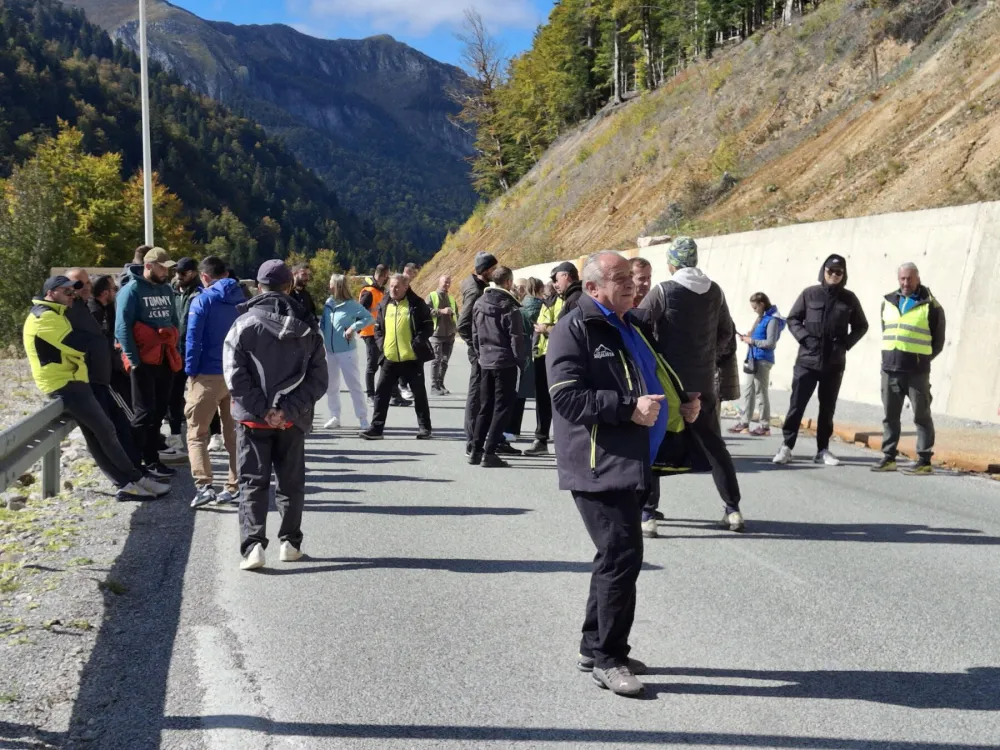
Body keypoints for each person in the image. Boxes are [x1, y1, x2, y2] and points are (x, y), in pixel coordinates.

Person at [547, 251, 700, 697]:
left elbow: (650, 378)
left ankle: (593, 645)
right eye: (619, 278)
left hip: (631, 461)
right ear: (593, 288)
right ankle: (609, 659)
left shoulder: (629, 324)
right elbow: (566, 398)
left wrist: (681, 399)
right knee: (623, 556)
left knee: (614, 557)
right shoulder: (574, 327)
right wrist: (627, 409)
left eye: (631, 278)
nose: (631, 284)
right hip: (598, 462)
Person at [224, 260, 328, 571]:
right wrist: (286, 411)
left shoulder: (243, 325)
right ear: (288, 287)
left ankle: (254, 547)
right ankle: (290, 544)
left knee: (253, 483)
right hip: (292, 421)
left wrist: (263, 409)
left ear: (259, 287)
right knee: (291, 482)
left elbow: (234, 376)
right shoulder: (307, 327)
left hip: (253, 420)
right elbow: (319, 379)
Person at [639, 236, 744, 535]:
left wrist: (654, 358)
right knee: (715, 447)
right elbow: (727, 332)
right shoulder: (715, 291)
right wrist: (709, 357)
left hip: (668, 384)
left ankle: (649, 515)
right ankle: (733, 509)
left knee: (655, 442)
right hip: (704, 384)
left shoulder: (663, 290)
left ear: (672, 262)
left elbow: (640, 326)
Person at [24, 276, 164, 500]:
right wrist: (101, 344)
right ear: (51, 293)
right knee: (106, 430)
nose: (73, 296)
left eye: (74, 292)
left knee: (98, 433)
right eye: (68, 292)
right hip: (64, 384)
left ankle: (128, 481)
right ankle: (133, 479)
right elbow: (78, 345)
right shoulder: (44, 317)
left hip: (74, 381)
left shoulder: (56, 313)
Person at [773, 254, 870, 466]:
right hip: (807, 361)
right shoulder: (810, 294)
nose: (834, 275)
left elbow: (862, 326)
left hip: (834, 364)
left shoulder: (849, 299)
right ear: (823, 271)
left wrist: (845, 344)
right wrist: (805, 339)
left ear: (843, 275)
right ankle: (786, 447)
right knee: (796, 406)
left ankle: (822, 450)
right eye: (830, 271)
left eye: (839, 272)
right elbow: (792, 319)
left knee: (827, 409)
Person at [115, 247, 183, 480]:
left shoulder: (166, 289)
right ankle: (137, 462)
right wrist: (134, 360)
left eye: (168, 267)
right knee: (144, 413)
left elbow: (174, 319)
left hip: (165, 358)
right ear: (148, 266)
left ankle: (153, 459)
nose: (166, 271)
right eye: (162, 267)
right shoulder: (131, 290)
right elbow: (122, 327)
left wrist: (174, 344)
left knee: (160, 410)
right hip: (143, 361)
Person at [873, 263, 945, 475]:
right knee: (890, 416)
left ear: (918, 279)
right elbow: (887, 331)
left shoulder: (931, 305)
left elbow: (938, 341)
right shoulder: (887, 302)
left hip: (916, 372)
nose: (906, 283)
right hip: (890, 369)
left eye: (909, 279)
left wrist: (920, 360)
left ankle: (923, 460)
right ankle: (888, 457)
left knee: (921, 416)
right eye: (902, 279)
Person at [185, 256, 244, 509]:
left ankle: (204, 485)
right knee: (234, 434)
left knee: (197, 433)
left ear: (205, 277)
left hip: (207, 374)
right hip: (236, 375)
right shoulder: (242, 299)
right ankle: (234, 485)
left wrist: (190, 371)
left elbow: (193, 339)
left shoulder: (203, 300)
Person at [361, 274, 434, 440]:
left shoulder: (416, 303)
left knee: (419, 394)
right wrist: (382, 346)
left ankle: (425, 428)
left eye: (397, 287)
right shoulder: (385, 303)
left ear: (405, 287)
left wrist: (417, 342)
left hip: (411, 358)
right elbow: (378, 328)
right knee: (381, 394)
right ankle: (376, 429)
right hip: (390, 358)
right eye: (391, 286)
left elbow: (428, 326)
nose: (392, 289)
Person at [470, 266, 528, 467]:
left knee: (485, 406)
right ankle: (490, 451)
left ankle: (476, 450)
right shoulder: (509, 306)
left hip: (485, 360)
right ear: (508, 282)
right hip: (505, 362)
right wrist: (521, 362)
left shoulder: (479, 302)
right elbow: (516, 339)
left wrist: (480, 355)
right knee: (502, 408)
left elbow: (475, 333)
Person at [319, 273, 373, 431]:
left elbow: (368, 318)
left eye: (331, 283)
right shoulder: (329, 303)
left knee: (354, 385)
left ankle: (363, 418)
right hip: (329, 352)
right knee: (331, 386)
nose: (329, 285)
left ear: (337, 286)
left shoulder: (352, 304)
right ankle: (335, 416)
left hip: (347, 352)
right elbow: (323, 322)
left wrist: (352, 328)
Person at [458, 252, 498, 454]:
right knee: (476, 394)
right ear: (486, 269)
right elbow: (463, 324)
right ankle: (472, 439)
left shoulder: (474, 284)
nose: (495, 272)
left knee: (481, 393)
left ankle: (477, 436)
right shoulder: (475, 291)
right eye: (493, 268)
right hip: (479, 350)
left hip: (480, 347)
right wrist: (475, 348)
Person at [730, 293, 786, 436]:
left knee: (761, 393)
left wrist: (751, 341)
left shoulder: (772, 320)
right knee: (749, 392)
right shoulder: (761, 319)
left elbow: (770, 343)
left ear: (761, 304)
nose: (754, 310)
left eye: (755, 307)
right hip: (752, 359)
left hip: (763, 360)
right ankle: (744, 422)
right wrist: (748, 337)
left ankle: (765, 426)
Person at [166, 257, 202, 458]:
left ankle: (208, 433)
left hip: (194, 350)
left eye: (182, 273)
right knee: (174, 394)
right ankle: (174, 435)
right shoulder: (169, 291)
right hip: (174, 351)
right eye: (176, 272)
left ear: (193, 273)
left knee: (201, 395)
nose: (178, 276)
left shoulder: (200, 293)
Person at [358, 266, 406, 406]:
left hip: (381, 332)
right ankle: (371, 395)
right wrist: (374, 310)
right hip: (370, 333)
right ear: (384, 275)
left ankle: (394, 396)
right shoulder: (368, 291)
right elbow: (360, 311)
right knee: (372, 365)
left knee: (388, 364)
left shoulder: (379, 290)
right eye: (387, 276)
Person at [507, 277, 544, 443]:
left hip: (524, 355)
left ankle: (512, 430)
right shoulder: (545, 308)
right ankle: (541, 433)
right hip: (542, 353)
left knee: (517, 394)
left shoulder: (519, 310)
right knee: (544, 399)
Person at [426, 275, 458, 396]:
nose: (447, 285)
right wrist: (441, 311)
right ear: (439, 282)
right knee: (436, 360)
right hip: (437, 334)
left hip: (449, 334)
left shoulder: (451, 298)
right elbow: (426, 311)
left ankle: (440, 383)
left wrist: (455, 325)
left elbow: (457, 314)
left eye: (449, 282)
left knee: (444, 361)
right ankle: (434, 386)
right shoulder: (432, 296)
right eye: (445, 282)